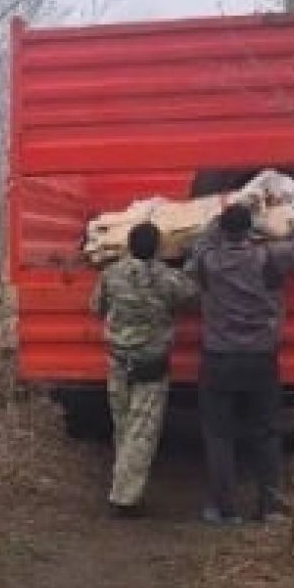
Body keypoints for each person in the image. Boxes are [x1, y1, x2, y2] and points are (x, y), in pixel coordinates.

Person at [185, 203, 294, 525]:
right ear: (249, 230)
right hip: (261, 358)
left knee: (219, 434)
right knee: (266, 432)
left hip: (219, 358)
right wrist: (270, 226)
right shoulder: (270, 258)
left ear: (223, 230)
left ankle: (224, 509)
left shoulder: (208, 261)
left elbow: (199, 242)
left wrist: (216, 223)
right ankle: (270, 507)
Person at [90, 221, 196, 518]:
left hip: (118, 361)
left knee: (123, 427)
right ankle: (124, 498)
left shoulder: (111, 274)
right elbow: (193, 298)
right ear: (159, 248)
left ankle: (123, 484)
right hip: (151, 365)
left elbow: (97, 307)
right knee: (141, 432)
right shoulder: (168, 279)